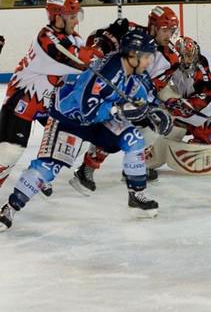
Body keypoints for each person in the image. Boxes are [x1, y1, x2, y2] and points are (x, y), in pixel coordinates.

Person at [0, 30, 174, 231]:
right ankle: (10, 208)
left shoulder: (134, 72)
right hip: (69, 118)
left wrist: (154, 112)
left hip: (100, 118)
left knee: (133, 138)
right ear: (132, 55)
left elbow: (142, 94)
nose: (148, 62)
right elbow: (86, 110)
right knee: (48, 168)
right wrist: (119, 109)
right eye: (145, 57)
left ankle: (137, 195)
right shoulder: (107, 73)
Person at [70, 6, 181, 194]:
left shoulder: (170, 58)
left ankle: (134, 165)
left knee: (156, 124)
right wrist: (107, 38)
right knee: (114, 125)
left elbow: (156, 86)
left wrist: (157, 105)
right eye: (165, 29)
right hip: (112, 90)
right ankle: (86, 169)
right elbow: (96, 40)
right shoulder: (130, 32)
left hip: (139, 93)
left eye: (172, 30)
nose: (168, 35)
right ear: (153, 27)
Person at [0, 0, 105, 194]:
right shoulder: (46, 39)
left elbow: (88, 59)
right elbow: (83, 61)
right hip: (23, 100)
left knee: (72, 135)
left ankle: (39, 172)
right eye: (72, 16)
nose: (76, 21)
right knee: (9, 154)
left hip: (48, 102)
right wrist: (105, 45)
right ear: (58, 17)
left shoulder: (73, 37)